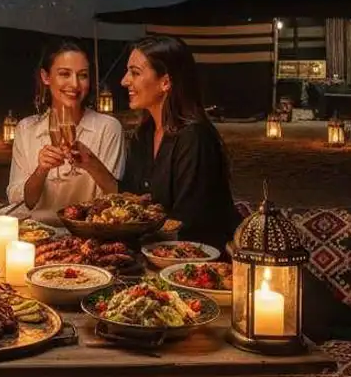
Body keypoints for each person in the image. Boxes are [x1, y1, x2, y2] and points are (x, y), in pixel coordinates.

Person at [71, 35, 241, 251]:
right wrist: (91, 164)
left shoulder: (194, 138)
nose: (124, 81)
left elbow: (186, 223)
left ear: (166, 82)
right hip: (154, 250)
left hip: (195, 261)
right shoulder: (144, 133)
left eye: (135, 72)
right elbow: (132, 201)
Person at [6, 40, 126, 224]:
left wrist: (91, 163)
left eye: (83, 75)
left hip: (89, 232)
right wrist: (41, 171)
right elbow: (23, 201)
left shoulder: (108, 127)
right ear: (46, 77)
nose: (75, 84)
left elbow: (117, 201)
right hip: (38, 231)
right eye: (64, 74)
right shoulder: (26, 129)